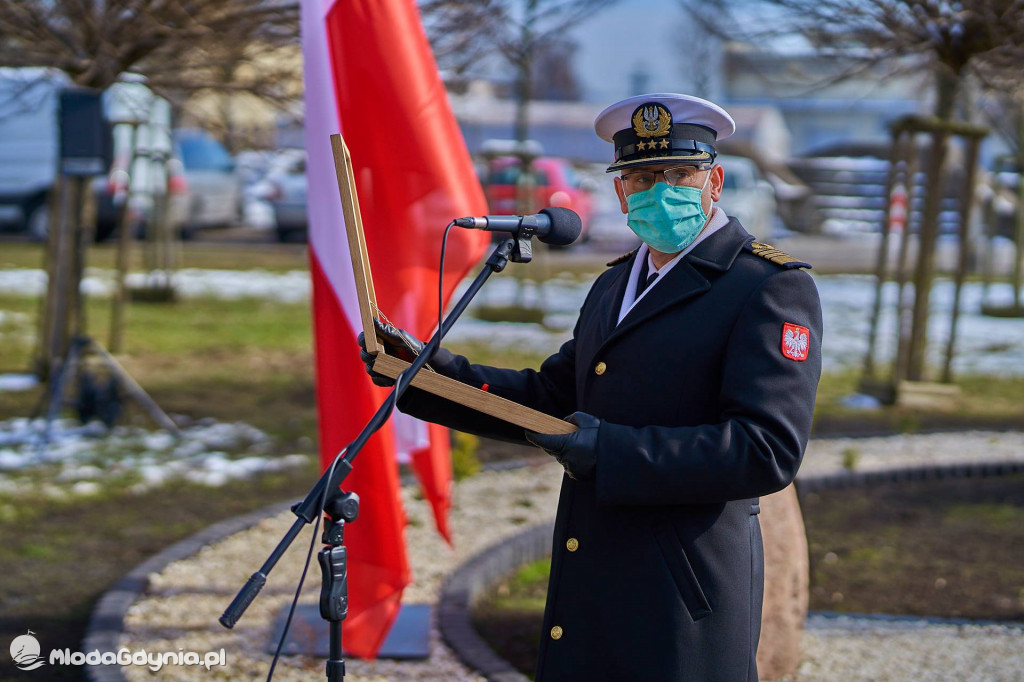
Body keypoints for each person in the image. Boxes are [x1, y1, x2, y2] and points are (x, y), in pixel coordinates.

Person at [359, 93, 822, 682]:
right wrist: (427, 376)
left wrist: (609, 451)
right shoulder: (616, 283)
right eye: (642, 178)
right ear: (621, 192)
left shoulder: (764, 286)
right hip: (595, 572)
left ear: (715, 181)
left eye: (679, 173)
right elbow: (553, 398)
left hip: (683, 593)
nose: (660, 191)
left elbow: (765, 450)